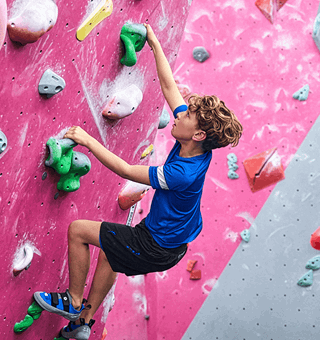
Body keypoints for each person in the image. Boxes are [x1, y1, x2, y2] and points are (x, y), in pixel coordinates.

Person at [33, 24, 243, 339]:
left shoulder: (180, 174)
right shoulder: (196, 144)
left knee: (79, 231)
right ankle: (82, 326)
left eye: (186, 117)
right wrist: (156, 45)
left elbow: (127, 170)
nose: (179, 116)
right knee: (109, 250)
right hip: (167, 240)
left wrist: (88, 141)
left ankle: (74, 302)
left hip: (155, 245)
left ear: (198, 133)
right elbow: (170, 88)